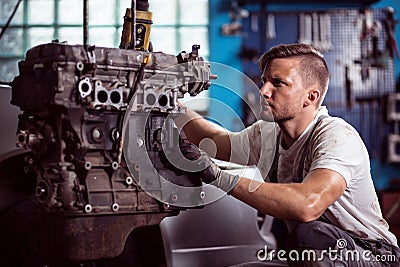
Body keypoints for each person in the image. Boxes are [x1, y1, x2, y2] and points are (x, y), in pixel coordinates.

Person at [165, 43, 400, 266]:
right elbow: (217, 142)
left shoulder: (337, 136)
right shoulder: (268, 134)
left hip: (372, 257)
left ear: (311, 97)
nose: (264, 91)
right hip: (313, 256)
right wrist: (172, 107)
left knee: (310, 235)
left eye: (278, 83)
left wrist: (219, 177)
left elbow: (308, 205)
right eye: (264, 81)